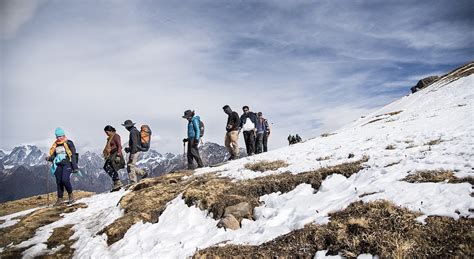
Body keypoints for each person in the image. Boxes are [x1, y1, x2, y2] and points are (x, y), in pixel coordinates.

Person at [46, 127, 78, 205]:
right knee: (59, 182)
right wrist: (49, 158)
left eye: (60, 136)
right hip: (58, 165)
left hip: (67, 163)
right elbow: (54, 156)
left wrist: (75, 167)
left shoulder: (69, 143)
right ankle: (60, 199)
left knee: (65, 180)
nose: (59, 138)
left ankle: (71, 196)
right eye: (57, 137)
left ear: (64, 135)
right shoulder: (55, 145)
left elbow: (73, 155)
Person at [122, 119, 148, 184]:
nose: (125, 128)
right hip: (137, 150)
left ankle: (133, 182)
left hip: (135, 151)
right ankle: (143, 173)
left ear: (127, 126)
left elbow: (134, 143)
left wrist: (131, 151)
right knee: (130, 166)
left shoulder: (132, 132)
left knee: (130, 166)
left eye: (125, 126)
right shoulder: (135, 131)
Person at [103, 125, 125, 190]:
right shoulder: (110, 138)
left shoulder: (116, 136)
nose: (106, 134)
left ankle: (117, 181)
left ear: (111, 131)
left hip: (115, 154)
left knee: (107, 167)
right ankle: (116, 182)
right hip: (111, 154)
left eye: (107, 132)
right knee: (108, 167)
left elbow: (119, 146)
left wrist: (118, 155)